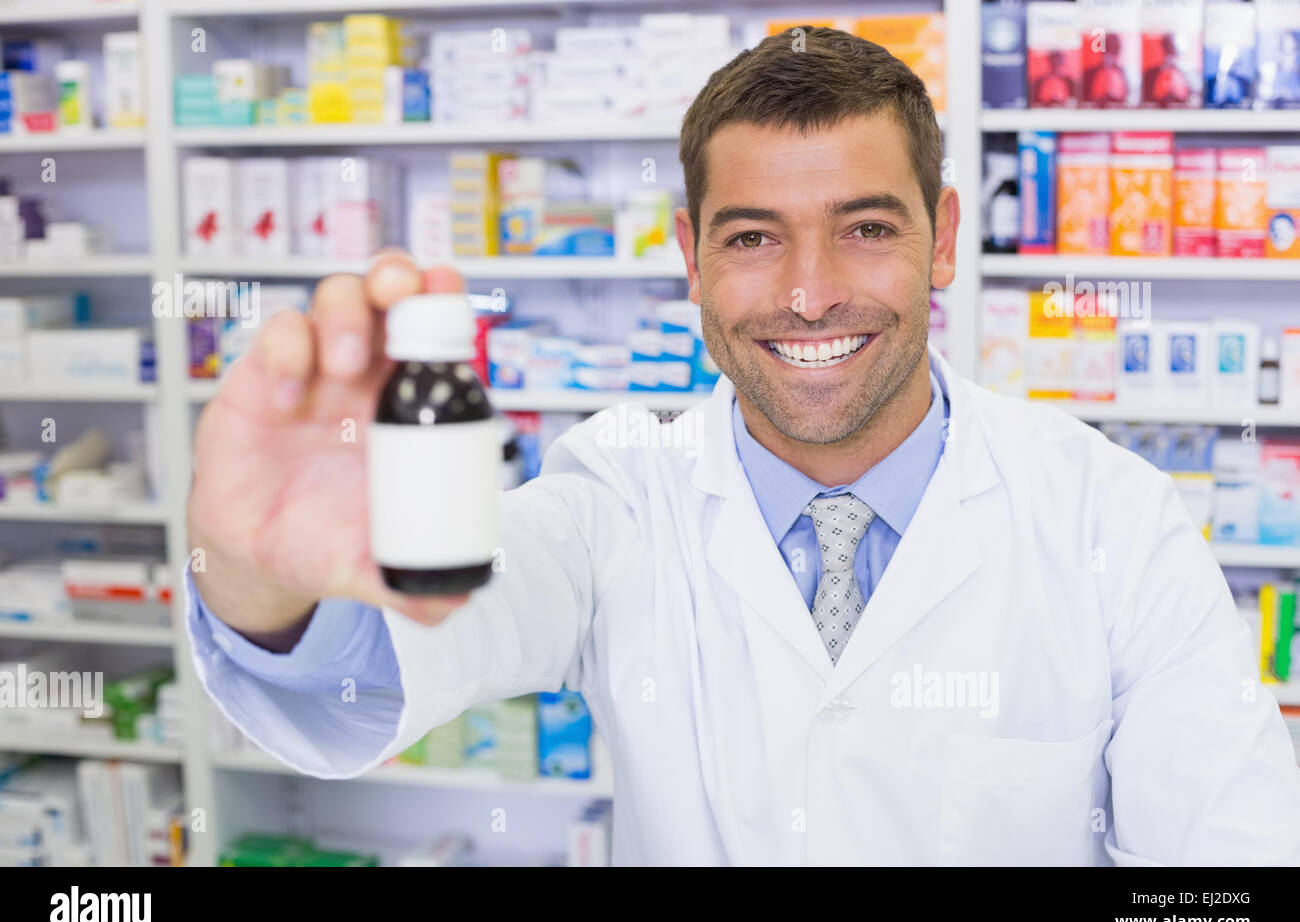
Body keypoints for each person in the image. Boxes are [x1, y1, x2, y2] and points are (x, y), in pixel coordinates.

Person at [187, 27, 1300, 865]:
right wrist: (260, 578)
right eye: (753, 237)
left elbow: (1228, 859)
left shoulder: (1110, 515)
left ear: (943, 236)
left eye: (865, 227)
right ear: (689, 255)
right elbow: (395, 654)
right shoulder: (616, 495)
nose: (810, 293)